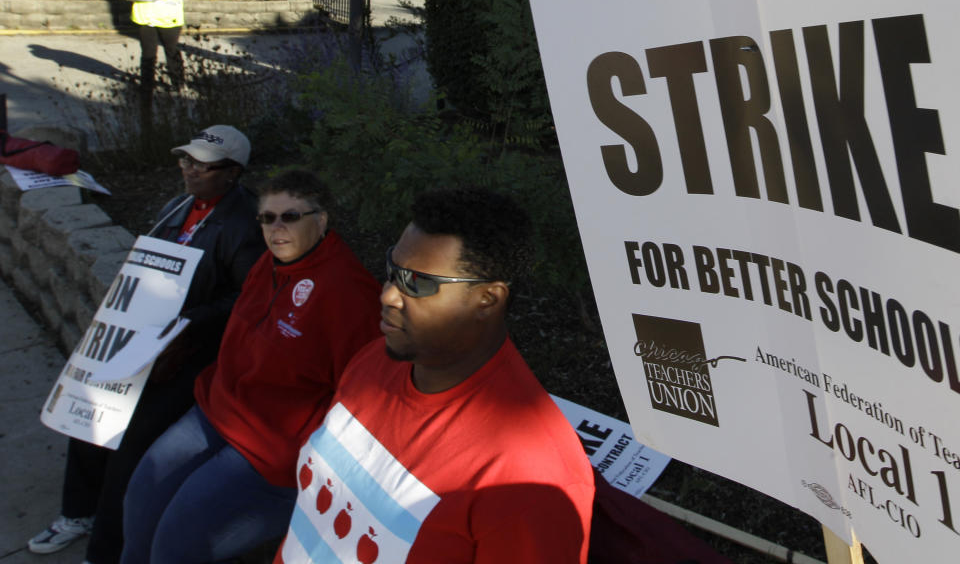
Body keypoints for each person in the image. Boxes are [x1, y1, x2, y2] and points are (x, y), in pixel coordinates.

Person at [275, 188, 596, 564]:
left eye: (417, 283)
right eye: (392, 272)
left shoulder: (530, 473)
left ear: (487, 300)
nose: (388, 295)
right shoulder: (374, 359)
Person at [28, 125, 265, 564]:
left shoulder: (244, 222)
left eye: (203, 165)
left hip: (191, 352)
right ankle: (78, 513)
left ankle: (107, 547)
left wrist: (188, 322)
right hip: (144, 335)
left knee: (132, 436)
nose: (189, 170)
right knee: (88, 406)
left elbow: (244, 300)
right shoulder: (179, 206)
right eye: (186, 160)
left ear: (232, 172)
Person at [120, 169, 382, 564]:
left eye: (290, 217)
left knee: (175, 547)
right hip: (216, 412)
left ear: (322, 220)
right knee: (139, 500)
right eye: (267, 218)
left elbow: (362, 398)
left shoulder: (348, 293)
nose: (276, 228)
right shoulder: (268, 264)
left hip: (269, 450)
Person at [125, 0, 184, 92]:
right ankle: (147, 84)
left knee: (172, 52)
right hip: (147, 21)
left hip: (169, 21)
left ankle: (178, 83)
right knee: (148, 54)